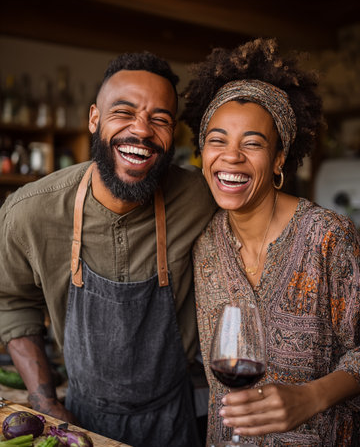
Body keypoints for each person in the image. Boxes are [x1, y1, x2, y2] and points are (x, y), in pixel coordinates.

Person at [0, 51, 217, 447]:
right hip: (81, 418)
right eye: (124, 111)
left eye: (160, 119)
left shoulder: (200, 197)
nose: (142, 130)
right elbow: (12, 302)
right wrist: (44, 399)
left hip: (174, 416)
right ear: (94, 119)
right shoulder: (28, 213)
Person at [181, 38, 360, 446]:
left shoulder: (328, 237)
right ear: (202, 152)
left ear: (280, 158)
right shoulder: (204, 244)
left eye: (253, 143)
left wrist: (311, 396)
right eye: (217, 139)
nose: (231, 156)